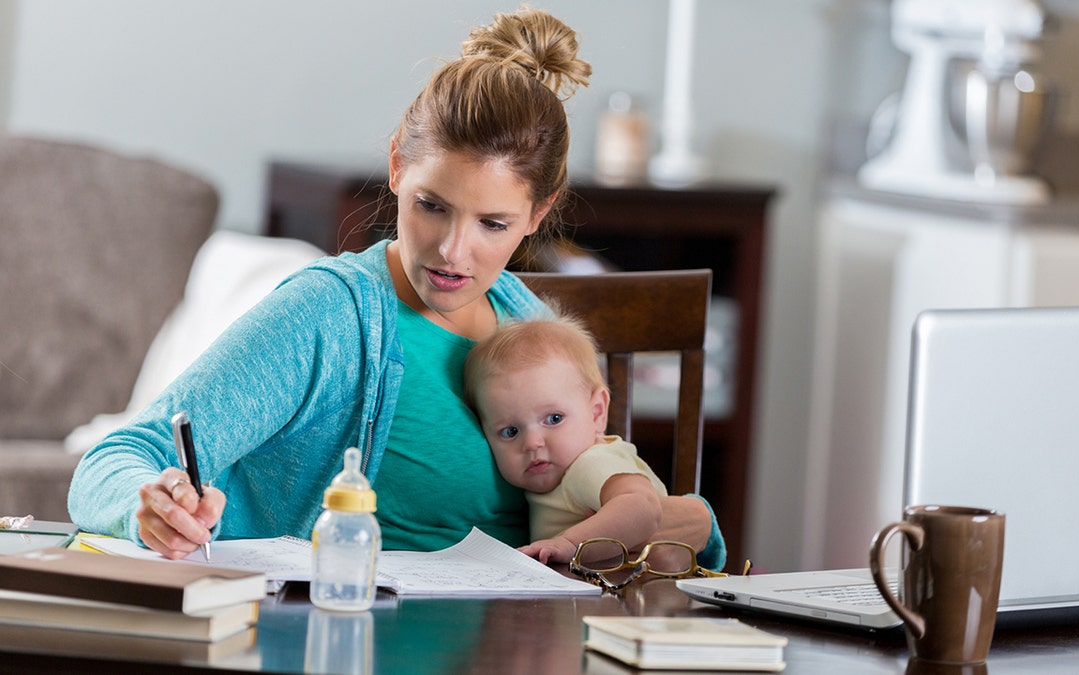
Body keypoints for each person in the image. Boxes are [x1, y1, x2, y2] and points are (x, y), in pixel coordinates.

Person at [68, 6, 725, 571]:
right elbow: (119, 455)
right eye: (432, 206)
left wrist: (687, 524)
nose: (452, 250)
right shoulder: (330, 314)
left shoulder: (532, 327)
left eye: (493, 223)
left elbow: (625, 503)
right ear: (395, 167)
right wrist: (148, 505)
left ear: (538, 213)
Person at [464, 315, 673, 564]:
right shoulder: (564, 472)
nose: (532, 443)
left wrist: (570, 544)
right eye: (511, 431)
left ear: (596, 412)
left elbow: (643, 508)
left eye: (553, 419)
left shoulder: (592, 463)